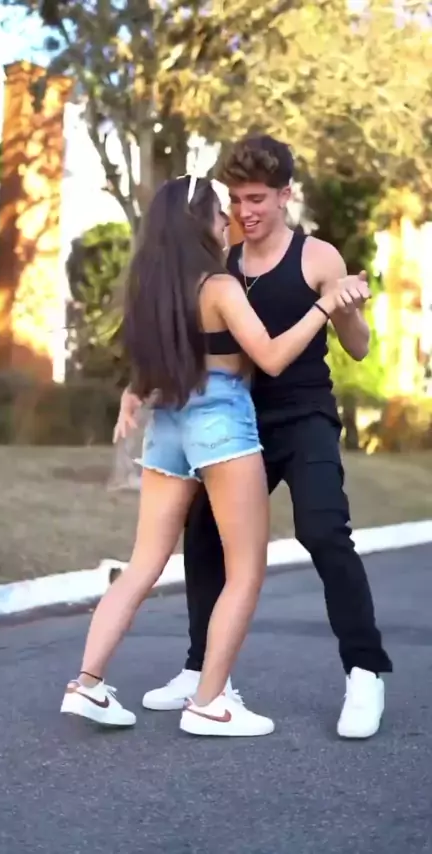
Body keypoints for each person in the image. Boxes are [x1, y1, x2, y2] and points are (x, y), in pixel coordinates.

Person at [61, 171, 368, 738]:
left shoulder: (153, 289)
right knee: (245, 569)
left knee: (143, 564)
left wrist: (133, 393)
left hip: (168, 424)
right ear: (199, 223)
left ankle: (86, 684)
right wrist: (324, 305)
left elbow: (155, 366)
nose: (230, 220)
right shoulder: (219, 286)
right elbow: (271, 358)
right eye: (220, 212)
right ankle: (209, 703)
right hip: (220, 422)